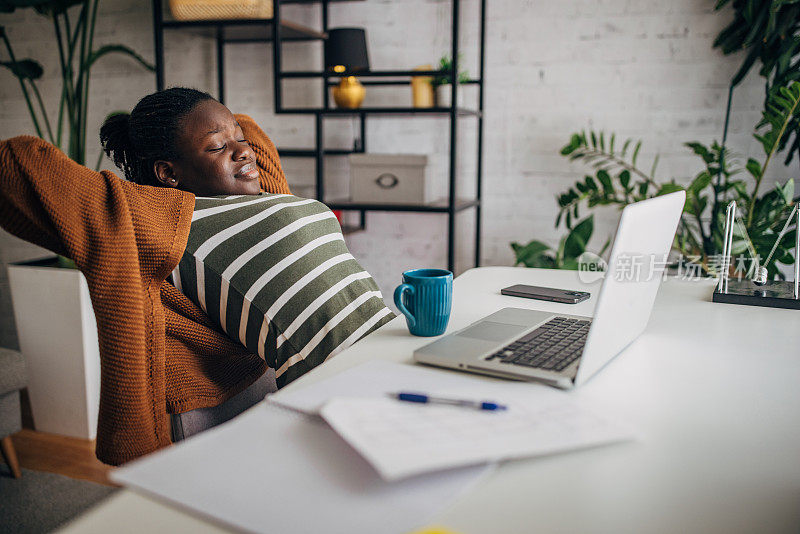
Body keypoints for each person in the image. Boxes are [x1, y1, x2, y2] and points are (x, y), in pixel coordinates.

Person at [0, 87, 391, 465]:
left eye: (237, 140)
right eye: (218, 146)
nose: (244, 149)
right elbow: (13, 163)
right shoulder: (162, 219)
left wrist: (225, 136)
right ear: (168, 173)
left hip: (392, 349)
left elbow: (249, 130)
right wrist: (160, 172)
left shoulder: (259, 194)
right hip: (346, 392)